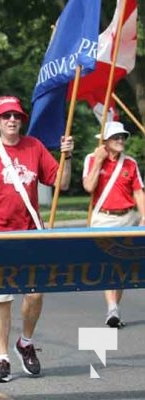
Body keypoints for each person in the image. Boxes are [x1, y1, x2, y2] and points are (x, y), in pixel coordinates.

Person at [0, 96, 74, 383]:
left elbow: (60, 182)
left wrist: (67, 157)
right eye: (6, 116)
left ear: (21, 121)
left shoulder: (34, 147)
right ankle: (2, 357)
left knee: (35, 294)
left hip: (30, 233)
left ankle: (25, 342)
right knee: (1, 298)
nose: (12, 120)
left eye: (16, 116)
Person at [82, 121, 145, 328]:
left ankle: (113, 310)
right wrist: (99, 161)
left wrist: (144, 217)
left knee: (122, 264)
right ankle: (112, 308)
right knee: (108, 262)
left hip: (128, 217)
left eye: (122, 137)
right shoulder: (91, 159)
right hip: (103, 217)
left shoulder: (130, 163)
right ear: (105, 141)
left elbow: (138, 192)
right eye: (116, 137)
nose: (121, 141)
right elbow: (89, 186)